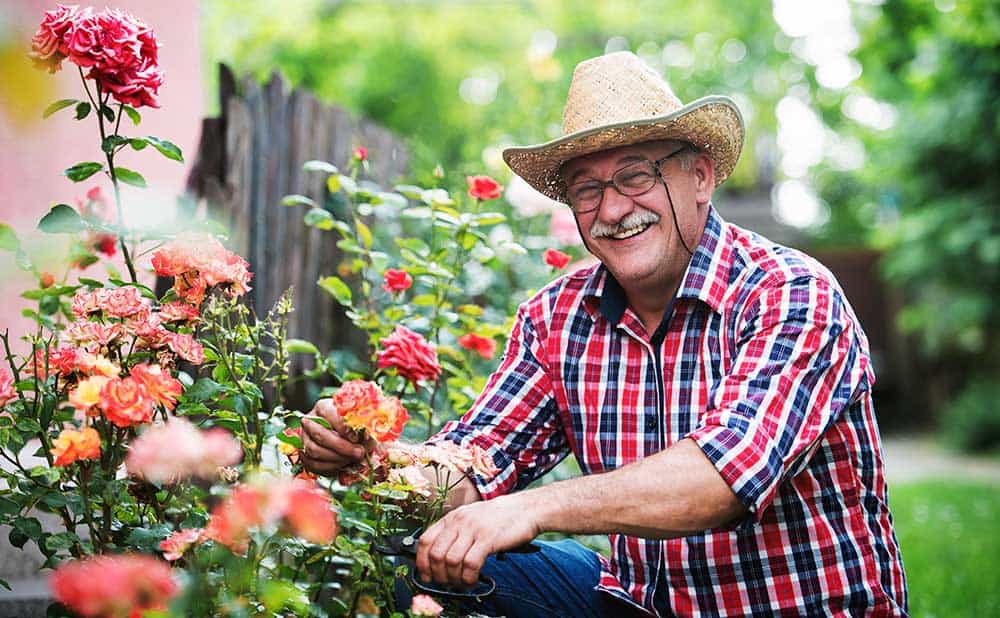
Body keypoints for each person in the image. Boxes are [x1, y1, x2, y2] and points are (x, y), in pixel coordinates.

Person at [302, 51, 908, 617]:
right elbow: (478, 460)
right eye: (587, 189)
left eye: (635, 176)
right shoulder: (557, 317)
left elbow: (722, 481)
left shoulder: (791, 294)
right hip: (640, 604)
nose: (613, 210)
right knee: (419, 563)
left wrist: (531, 508)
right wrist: (372, 458)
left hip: (793, 607)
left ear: (700, 176)